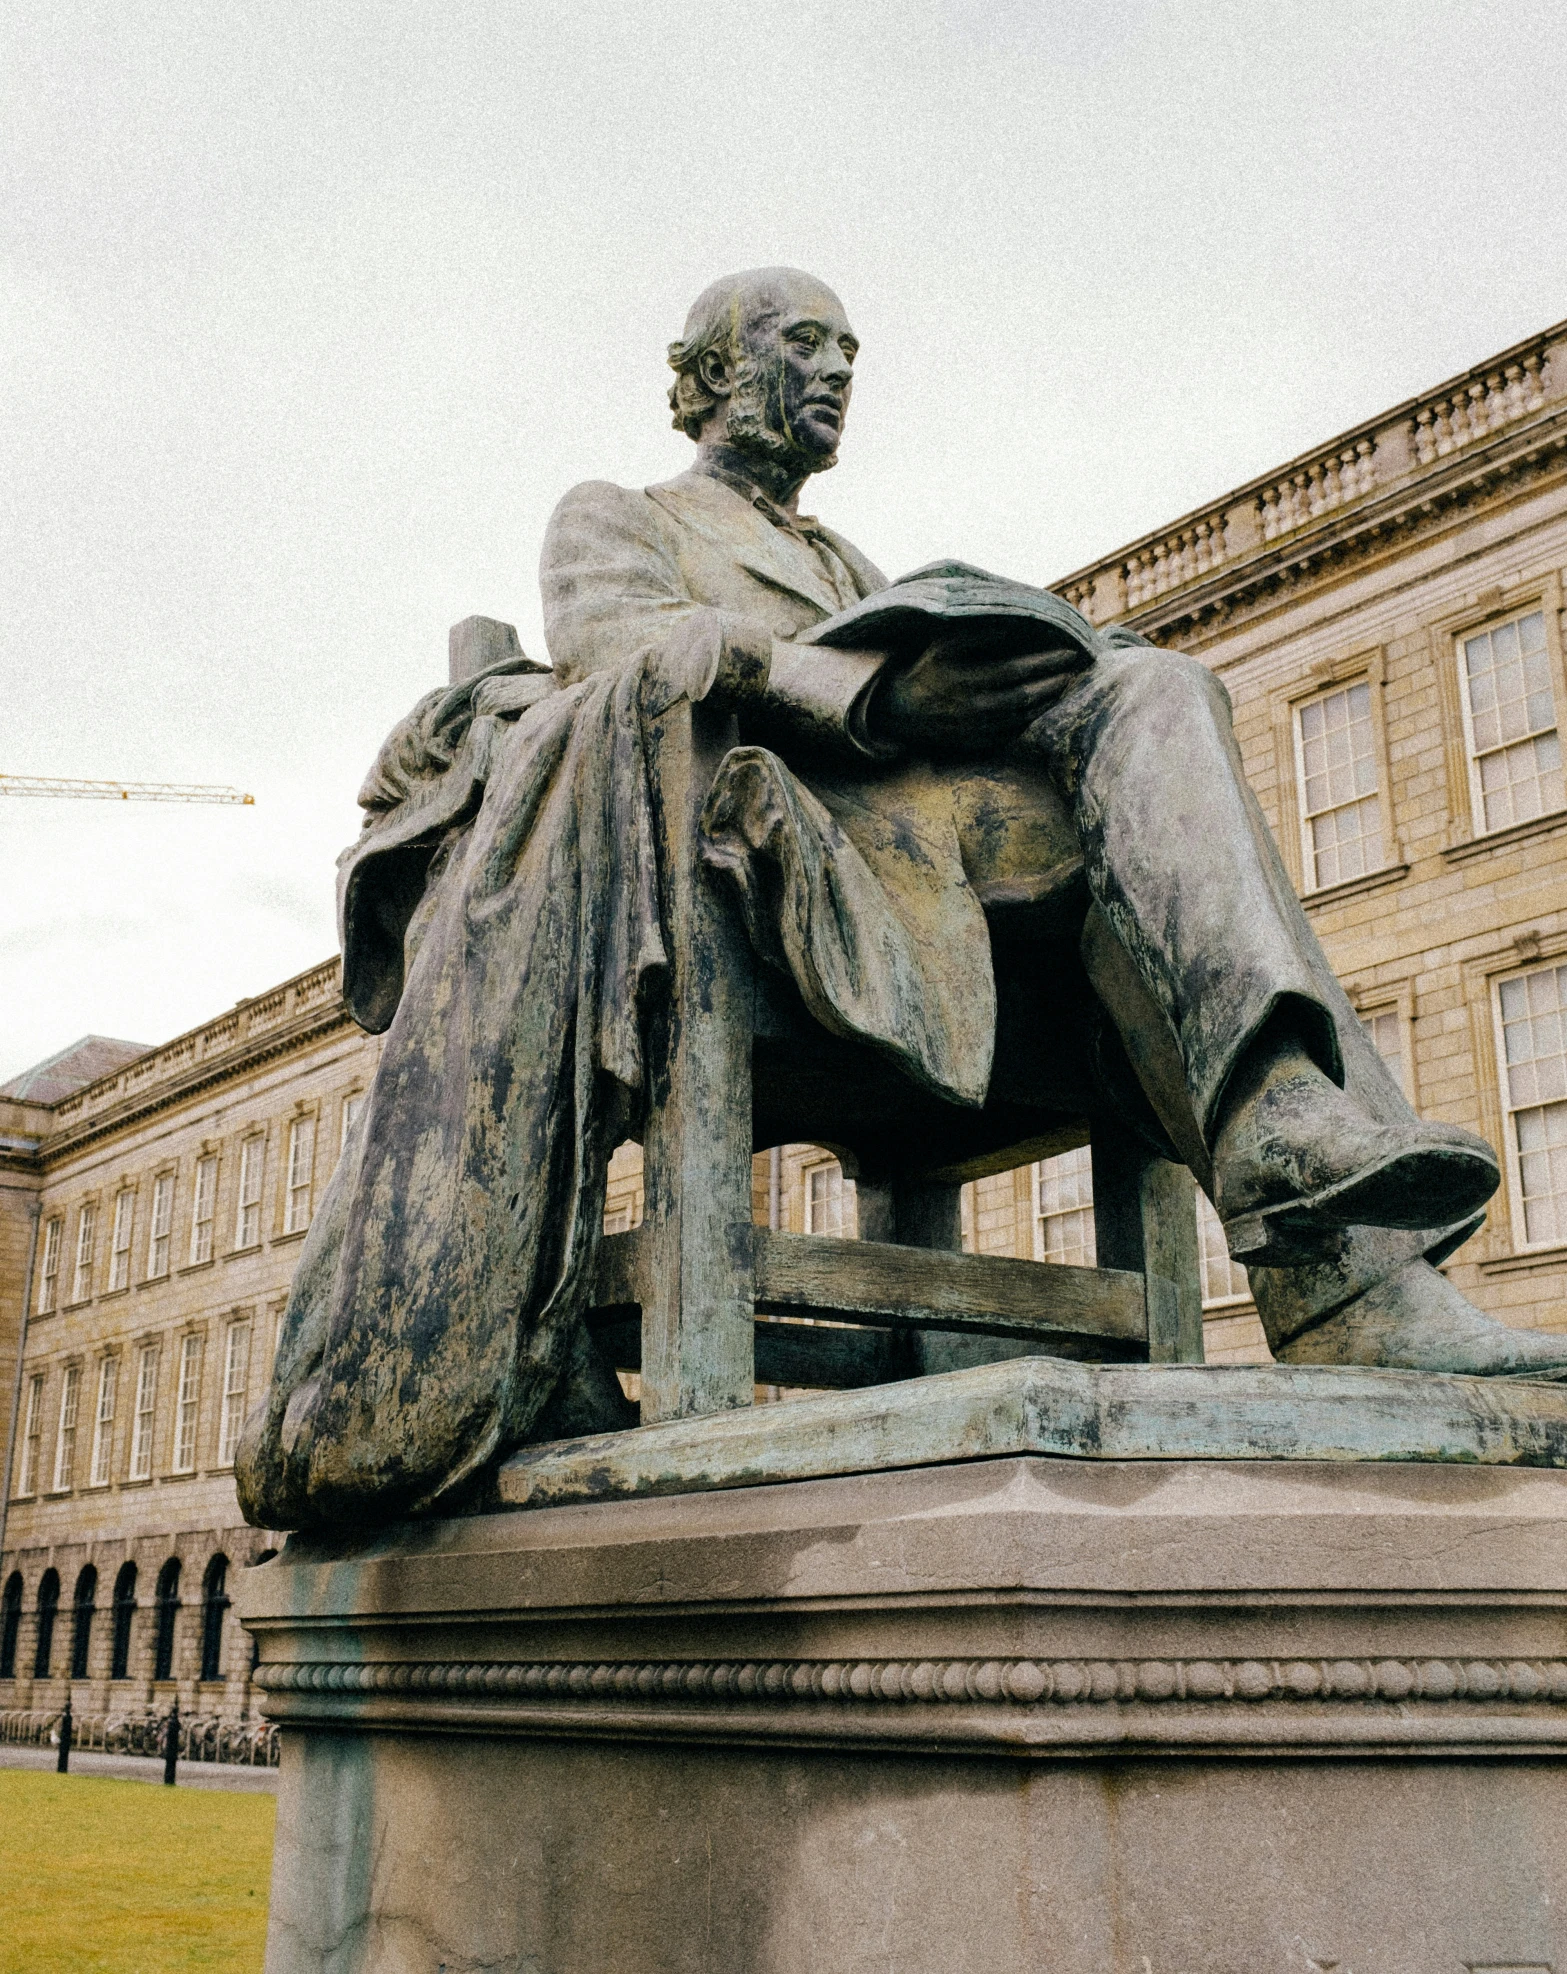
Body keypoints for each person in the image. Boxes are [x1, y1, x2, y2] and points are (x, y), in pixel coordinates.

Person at [238, 268, 1567, 1533]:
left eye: (848, 351)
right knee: (1138, 716)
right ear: (703, 380)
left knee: (1155, 687)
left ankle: (1333, 1260)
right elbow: (624, 651)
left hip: (945, 874)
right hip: (770, 878)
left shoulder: (848, 561)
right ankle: (1325, 1230)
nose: (834, 371)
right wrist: (865, 690)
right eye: (798, 342)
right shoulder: (619, 512)